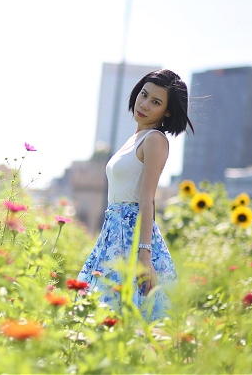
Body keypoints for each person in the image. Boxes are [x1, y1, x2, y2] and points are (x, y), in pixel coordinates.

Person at [77, 69, 194, 321]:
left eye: (156, 102)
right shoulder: (135, 138)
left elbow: (146, 199)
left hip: (132, 237)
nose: (144, 105)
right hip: (113, 233)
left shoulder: (155, 140)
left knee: (119, 315)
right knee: (98, 311)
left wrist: (144, 254)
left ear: (168, 112)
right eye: (144, 95)